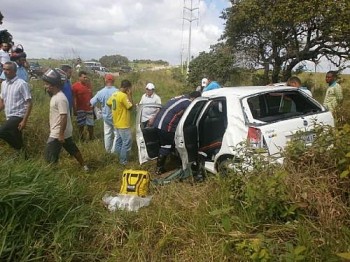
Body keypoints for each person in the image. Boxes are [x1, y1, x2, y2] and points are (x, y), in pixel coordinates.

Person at [42, 68, 88, 171]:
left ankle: (51, 173)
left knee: (49, 154)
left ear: (54, 85)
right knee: (72, 148)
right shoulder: (55, 96)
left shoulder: (60, 98)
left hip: (58, 132)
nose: (45, 86)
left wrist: (61, 134)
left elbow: (63, 116)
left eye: (47, 84)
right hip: (62, 130)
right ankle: (84, 166)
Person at [153, 91, 201, 175]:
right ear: (194, 98)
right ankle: (159, 169)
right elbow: (189, 116)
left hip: (158, 123)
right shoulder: (188, 103)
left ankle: (163, 165)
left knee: (165, 144)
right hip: (167, 126)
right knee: (167, 146)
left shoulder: (181, 97)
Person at [0, 61, 32, 152]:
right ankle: (24, 157)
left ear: (14, 71)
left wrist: (24, 120)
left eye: (8, 69)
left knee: (2, 132)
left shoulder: (21, 84)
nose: (5, 71)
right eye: (4, 69)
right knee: (17, 138)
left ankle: (18, 148)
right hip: (9, 116)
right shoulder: (4, 84)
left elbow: (29, 103)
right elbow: (2, 101)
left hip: (18, 115)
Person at [106, 79, 133, 165]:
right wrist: (130, 95)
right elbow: (130, 107)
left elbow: (108, 103)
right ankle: (123, 161)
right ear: (127, 88)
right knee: (127, 141)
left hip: (116, 122)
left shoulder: (114, 94)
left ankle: (116, 157)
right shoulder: (123, 96)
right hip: (123, 123)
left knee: (119, 140)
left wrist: (115, 110)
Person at [90, 74, 118, 153]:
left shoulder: (100, 92)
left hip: (106, 116)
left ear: (105, 81)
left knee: (107, 134)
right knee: (117, 134)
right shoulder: (117, 91)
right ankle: (114, 151)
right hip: (116, 116)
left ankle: (108, 151)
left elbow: (91, 102)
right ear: (113, 81)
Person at [72, 70, 94, 140]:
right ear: (79, 77)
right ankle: (81, 139)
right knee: (81, 125)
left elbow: (91, 96)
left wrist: (93, 105)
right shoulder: (75, 86)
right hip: (80, 109)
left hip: (89, 108)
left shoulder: (89, 85)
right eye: (84, 77)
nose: (85, 79)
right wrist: (75, 109)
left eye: (86, 77)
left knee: (91, 125)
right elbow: (74, 98)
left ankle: (91, 139)